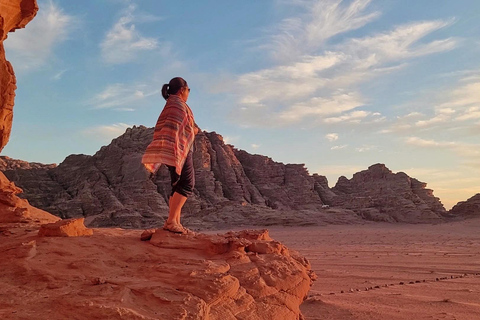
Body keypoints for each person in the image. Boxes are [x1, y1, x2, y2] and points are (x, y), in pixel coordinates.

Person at [142, 77, 199, 234]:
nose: (188, 93)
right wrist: (194, 131)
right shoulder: (178, 106)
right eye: (188, 90)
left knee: (177, 184)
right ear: (182, 90)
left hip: (173, 150)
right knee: (187, 184)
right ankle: (172, 221)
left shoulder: (171, 104)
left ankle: (175, 222)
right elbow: (184, 129)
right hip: (179, 150)